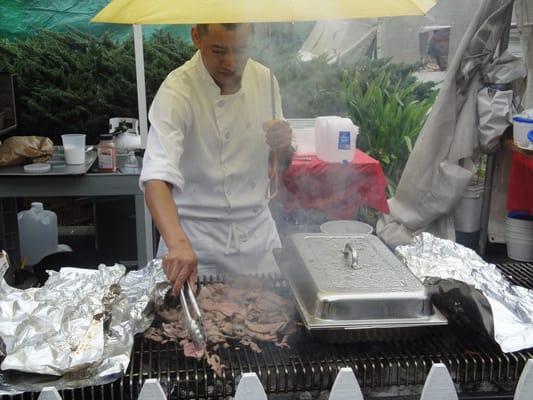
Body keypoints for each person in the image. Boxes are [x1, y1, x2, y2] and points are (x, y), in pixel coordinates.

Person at [139, 23, 294, 295]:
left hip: (258, 248)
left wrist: (282, 148)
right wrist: (177, 244)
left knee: (274, 328)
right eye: (218, 51)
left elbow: (277, 167)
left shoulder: (266, 80)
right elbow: (156, 176)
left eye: (240, 49)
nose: (231, 63)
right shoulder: (177, 90)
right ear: (197, 37)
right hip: (194, 248)